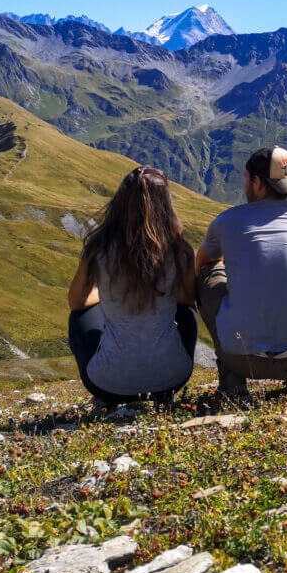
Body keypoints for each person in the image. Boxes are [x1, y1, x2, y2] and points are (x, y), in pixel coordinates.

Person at [196, 146, 287, 397]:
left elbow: (203, 262)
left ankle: (231, 378)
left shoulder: (226, 221)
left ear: (257, 181)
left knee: (208, 271)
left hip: (239, 357)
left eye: (246, 179)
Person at [67, 165, 198, 409]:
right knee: (188, 312)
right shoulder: (180, 250)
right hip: (172, 379)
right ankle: (162, 386)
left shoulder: (99, 248)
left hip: (107, 384)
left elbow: (76, 301)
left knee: (80, 316)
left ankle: (108, 393)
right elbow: (186, 298)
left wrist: (105, 295)